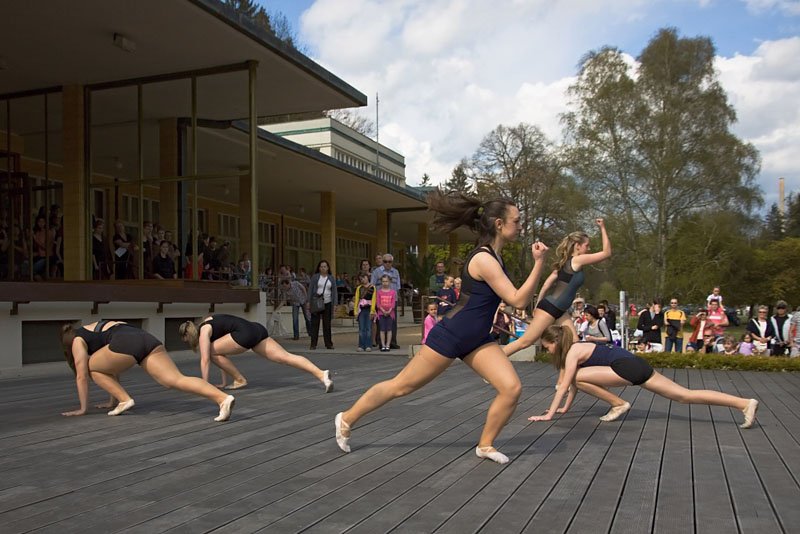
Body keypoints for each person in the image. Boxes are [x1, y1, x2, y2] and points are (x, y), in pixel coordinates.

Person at [334, 191, 549, 464]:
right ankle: (347, 418)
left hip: (478, 339)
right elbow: (517, 298)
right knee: (402, 386)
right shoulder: (483, 259)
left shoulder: (496, 256)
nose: (520, 226)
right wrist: (540, 263)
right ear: (498, 224)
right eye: (516, 221)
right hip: (451, 334)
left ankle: (485, 444)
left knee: (511, 388)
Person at [528, 325, 758, 429]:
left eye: (546, 346)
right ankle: (743, 403)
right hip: (635, 364)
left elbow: (565, 385)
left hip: (626, 367)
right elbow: (573, 388)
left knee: (575, 377)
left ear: (556, 342)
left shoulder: (573, 352)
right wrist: (565, 409)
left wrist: (548, 415)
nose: (546, 350)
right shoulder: (577, 349)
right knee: (684, 396)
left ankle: (618, 404)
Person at [60, 320, 235, 421]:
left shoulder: (77, 340)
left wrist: (83, 408)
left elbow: (82, 376)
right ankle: (223, 399)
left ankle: (125, 400)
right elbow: (112, 368)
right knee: (175, 379)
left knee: (91, 367)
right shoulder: (95, 327)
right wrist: (111, 400)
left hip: (124, 342)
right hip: (146, 339)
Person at [503, 219, 611, 358]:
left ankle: (568, 377)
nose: (589, 249)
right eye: (587, 245)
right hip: (551, 308)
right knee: (525, 342)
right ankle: (493, 363)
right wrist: (602, 227)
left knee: (575, 344)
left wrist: (537, 304)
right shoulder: (576, 260)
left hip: (559, 310)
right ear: (577, 246)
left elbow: (547, 284)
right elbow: (606, 253)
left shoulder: (565, 264)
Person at [179, 314, 332, 392]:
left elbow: (205, 359)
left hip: (244, 333)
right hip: (256, 329)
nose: (186, 342)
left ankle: (239, 379)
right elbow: (220, 356)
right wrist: (224, 382)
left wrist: (205, 387)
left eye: (184, 339)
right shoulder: (210, 321)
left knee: (210, 352)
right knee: (286, 357)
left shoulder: (204, 331)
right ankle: (321, 374)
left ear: (188, 335)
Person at [371, 253, 402, 349]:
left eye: (389, 262)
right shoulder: (377, 272)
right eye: (385, 261)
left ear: (392, 262)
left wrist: (397, 298)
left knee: (392, 321)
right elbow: (372, 285)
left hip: (392, 300)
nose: (387, 263)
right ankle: (381, 342)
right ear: (382, 262)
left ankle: (392, 342)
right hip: (381, 301)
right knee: (381, 322)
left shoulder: (395, 272)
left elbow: (398, 287)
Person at [308, 260, 338, 350]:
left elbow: (334, 291)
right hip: (316, 302)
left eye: (325, 266)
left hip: (327, 303)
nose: (323, 268)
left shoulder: (331, 278)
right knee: (315, 324)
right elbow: (310, 289)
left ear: (328, 268)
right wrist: (308, 302)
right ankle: (313, 344)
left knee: (327, 324)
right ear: (319, 268)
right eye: (321, 266)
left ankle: (328, 343)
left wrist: (335, 304)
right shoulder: (315, 277)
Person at [353, 273, 376, 351]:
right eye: (361, 278)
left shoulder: (373, 288)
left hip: (369, 309)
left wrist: (372, 311)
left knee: (368, 328)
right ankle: (361, 345)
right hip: (361, 310)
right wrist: (355, 312)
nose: (363, 279)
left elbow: (374, 300)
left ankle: (368, 345)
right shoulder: (359, 288)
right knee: (361, 328)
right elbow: (356, 300)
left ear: (368, 277)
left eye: (364, 277)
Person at [376, 274, 397, 351]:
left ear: (390, 282)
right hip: (381, 313)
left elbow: (393, 303)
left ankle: (388, 345)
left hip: (390, 314)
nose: (385, 283)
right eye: (383, 281)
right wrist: (383, 310)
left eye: (386, 281)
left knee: (389, 329)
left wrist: (389, 311)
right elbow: (378, 303)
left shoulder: (393, 292)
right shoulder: (379, 292)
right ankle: (383, 345)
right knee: (382, 329)